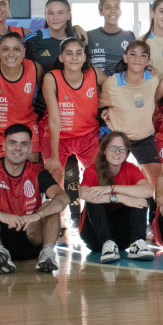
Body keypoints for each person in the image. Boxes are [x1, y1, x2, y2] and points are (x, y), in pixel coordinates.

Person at [0, 124, 66, 273]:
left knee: (51, 206)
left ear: (30, 148)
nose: (18, 148)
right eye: (13, 143)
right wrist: (0, 215)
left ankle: (47, 254)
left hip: (29, 237)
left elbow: (63, 198)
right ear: (4, 145)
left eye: (23, 144)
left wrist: (37, 215)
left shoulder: (38, 171)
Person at [41, 37, 107, 222]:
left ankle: (92, 218)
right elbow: (54, 119)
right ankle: (59, 220)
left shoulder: (94, 74)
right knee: (55, 176)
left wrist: (107, 107)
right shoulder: (51, 77)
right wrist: (54, 157)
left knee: (99, 175)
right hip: (56, 135)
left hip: (87, 134)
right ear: (61, 57)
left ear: (85, 57)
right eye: (69, 53)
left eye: (79, 53)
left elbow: (116, 88)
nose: (74, 58)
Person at [78, 132, 156, 263]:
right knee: (93, 198)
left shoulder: (131, 169)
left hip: (122, 237)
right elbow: (84, 194)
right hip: (95, 236)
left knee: (140, 197)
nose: (117, 152)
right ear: (103, 150)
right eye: (112, 147)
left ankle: (137, 242)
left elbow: (148, 191)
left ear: (127, 153)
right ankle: (107, 244)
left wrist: (113, 189)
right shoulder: (92, 170)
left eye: (122, 149)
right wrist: (120, 198)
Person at [99, 40, 162, 187]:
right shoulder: (112, 83)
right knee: (110, 181)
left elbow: (158, 101)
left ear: (148, 61)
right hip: (119, 139)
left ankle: (155, 210)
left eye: (143, 55)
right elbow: (100, 104)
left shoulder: (153, 80)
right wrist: (106, 110)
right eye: (133, 54)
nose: (137, 59)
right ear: (125, 58)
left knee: (158, 183)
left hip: (144, 138)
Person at [23, 0, 78, 70]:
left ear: (68, 15)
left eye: (60, 13)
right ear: (45, 15)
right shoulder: (33, 40)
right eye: (50, 13)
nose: (55, 18)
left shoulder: (77, 38)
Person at [87, 0, 136, 76]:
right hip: (96, 87)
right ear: (101, 12)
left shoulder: (129, 36)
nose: (113, 11)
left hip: (122, 87)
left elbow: (135, 62)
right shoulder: (90, 36)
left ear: (120, 11)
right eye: (108, 7)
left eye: (116, 7)